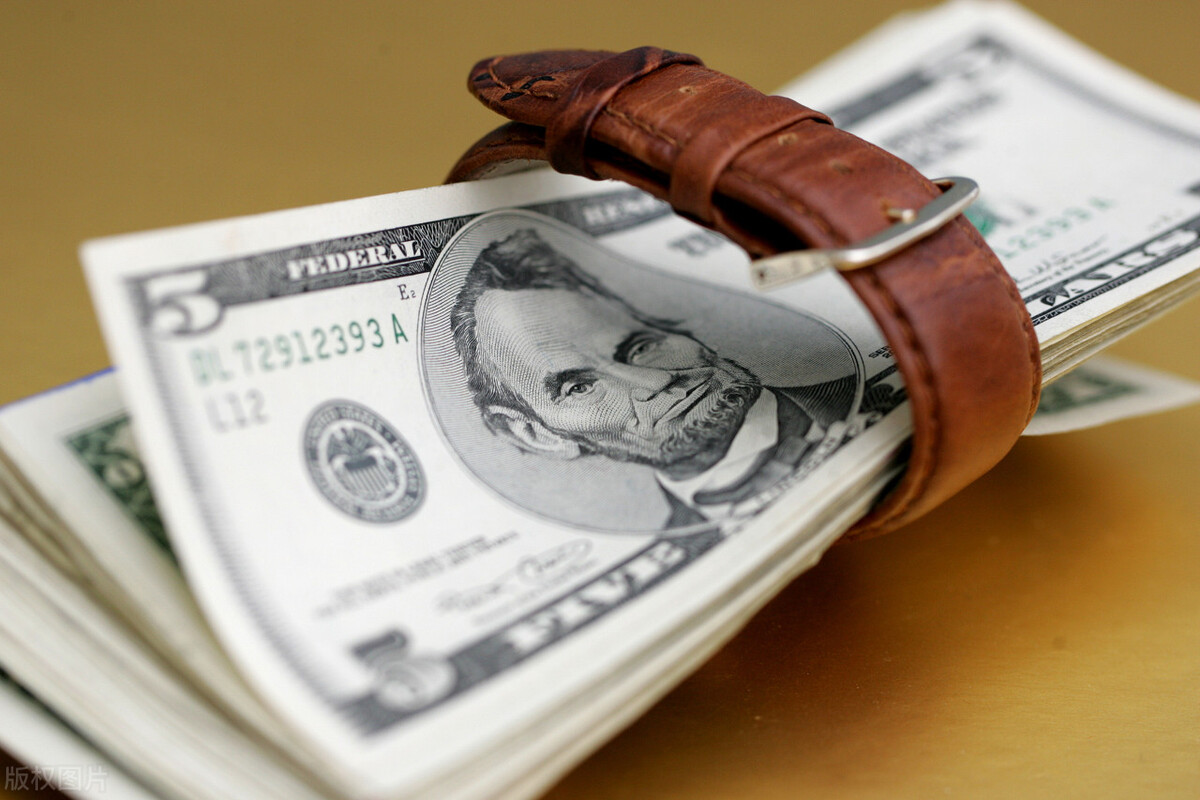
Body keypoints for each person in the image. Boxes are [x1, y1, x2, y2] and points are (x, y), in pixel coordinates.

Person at [450, 228, 859, 529]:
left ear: (667, 328)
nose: (653, 385)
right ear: (535, 434)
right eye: (579, 388)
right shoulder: (682, 549)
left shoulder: (870, 398)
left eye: (641, 346)